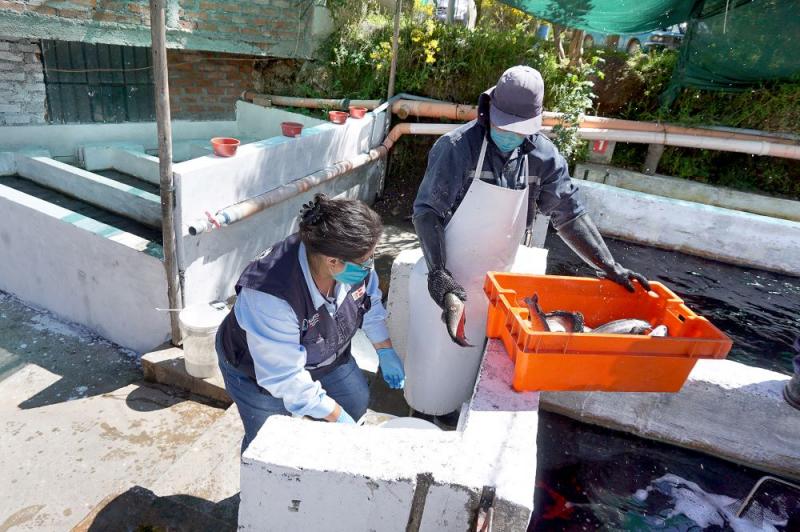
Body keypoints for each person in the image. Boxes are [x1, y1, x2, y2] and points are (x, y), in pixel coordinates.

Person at [404, 65, 649, 417]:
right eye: (502, 124)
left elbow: (570, 214)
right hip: (442, 285)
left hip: (494, 291)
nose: (508, 133)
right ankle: (422, 421)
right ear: (488, 110)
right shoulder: (456, 148)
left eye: (517, 129)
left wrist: (608, 265)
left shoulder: (543, 157)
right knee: (431, 384)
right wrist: (439, 274)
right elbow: (427, 212)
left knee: (471, 376)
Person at [215, 194, 405, 451]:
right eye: (366, 260)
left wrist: (385, 350)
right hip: (257, 373)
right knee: (269, 445)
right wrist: (337, 416)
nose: (370, 265)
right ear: (332, 262)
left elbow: (369, 305)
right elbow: (285, 377)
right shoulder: (271, 294)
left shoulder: (350, 259)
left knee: (356, 401)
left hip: (327, 355)